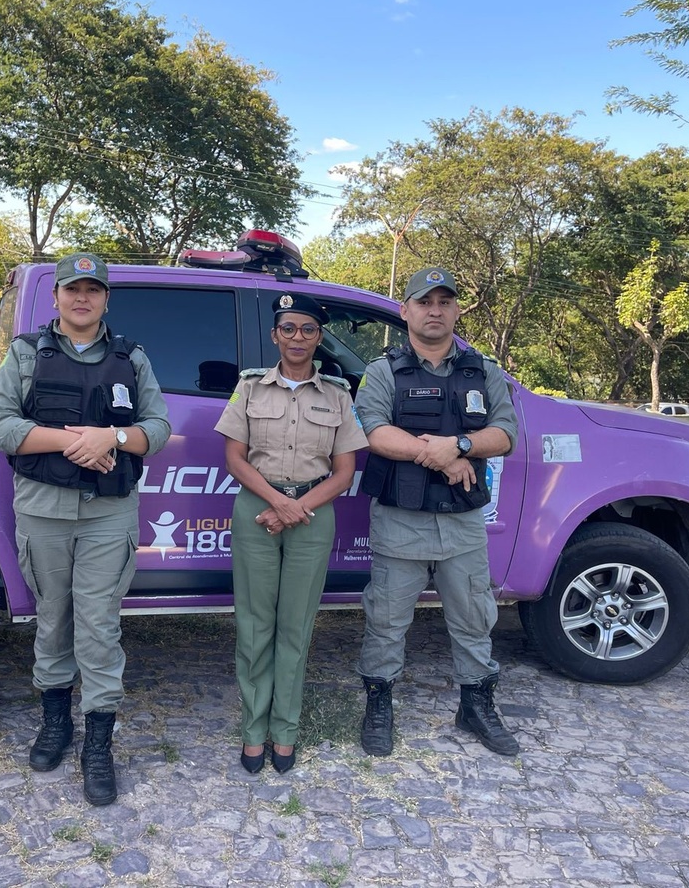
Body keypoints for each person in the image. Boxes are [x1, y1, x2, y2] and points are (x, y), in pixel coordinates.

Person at [0, 252, 171, 805]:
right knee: (53, 619)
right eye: (72, 289)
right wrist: (74, 440)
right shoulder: (25, 354)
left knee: (99, 625)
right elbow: (0, 426)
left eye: (92, 289)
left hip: (107, 513)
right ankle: (55, 722)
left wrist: (110, 438)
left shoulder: (130, 358)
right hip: (43, 509)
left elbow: (157, 427)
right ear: (57, 297)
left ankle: (99, 741)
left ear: (106, 299)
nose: (81, 298)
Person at [355, 266, 520, 757]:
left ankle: (476, 705)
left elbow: (505, 434)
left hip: (462, 522)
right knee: (385, 618)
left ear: (456, 310)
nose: (435, 310)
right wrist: (443, 455)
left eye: (445, 302)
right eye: (425, 302)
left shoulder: (483, 371)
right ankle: (379, 704)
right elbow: (374, 431)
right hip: (400, 518)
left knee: (474, 616)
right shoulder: (382, 371)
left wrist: (461, 444)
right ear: (405, 310)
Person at [215, 292, 368, 774]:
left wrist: (296, 506)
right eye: (288, 329)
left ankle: (286, 730)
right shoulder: (250, 389)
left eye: (307, 330)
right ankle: (253, 730)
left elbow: (344, 473)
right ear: (275, 335)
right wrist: (279, 503)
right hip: (258, 508)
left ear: (319, 338)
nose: (297, 338)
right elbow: (234, 459)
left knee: (296, 628)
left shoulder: (338, 396)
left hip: (313, 512)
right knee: (255, 626)